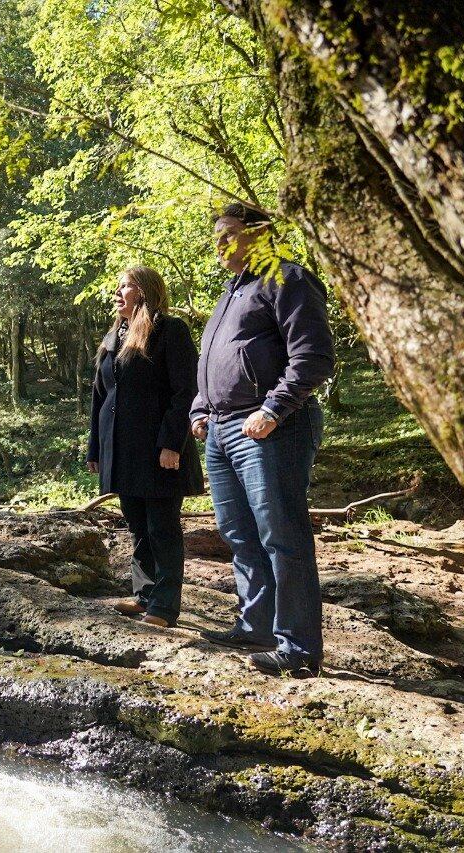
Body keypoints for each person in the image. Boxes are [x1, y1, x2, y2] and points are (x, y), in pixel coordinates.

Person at [191, 202, 335, 677]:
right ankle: (256, 625)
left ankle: (298, 650)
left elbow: (312, 357)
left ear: (261, 234)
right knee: (239, 534)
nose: (220, 244)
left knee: (282, 536)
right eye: (216, 237)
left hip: (271, 428)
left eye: (229, 234)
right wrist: (200, 409)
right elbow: (214, 360)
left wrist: (273, 409)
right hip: (222, 429)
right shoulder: (232, 292)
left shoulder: (287, 279)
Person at [88, 266, 203, 628]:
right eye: (117, 286)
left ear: (147, 292)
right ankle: (144, 594)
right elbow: (99, 395)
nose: (118, 292)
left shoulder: (171, 331)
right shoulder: (113, 335)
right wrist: (96, 448)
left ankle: (165, 608)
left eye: (127, 286)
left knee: (161, 526)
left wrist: (173, 443)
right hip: (122, 449)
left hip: (158, 449)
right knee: (137, 524)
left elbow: (185, 391)